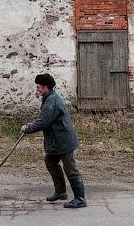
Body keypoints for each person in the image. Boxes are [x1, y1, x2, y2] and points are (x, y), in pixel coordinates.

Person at [20, 73, 86, 209]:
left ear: (46, 87)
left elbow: (43, 122)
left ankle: (80, 199)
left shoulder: (51, 102)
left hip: (63, 141)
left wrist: (27, 129)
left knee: (71, 169)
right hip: (57, 140)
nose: (37, 88)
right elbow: (44, 120)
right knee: (50, 161)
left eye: (39, 86)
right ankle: (61, 192)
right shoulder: (49, 97)